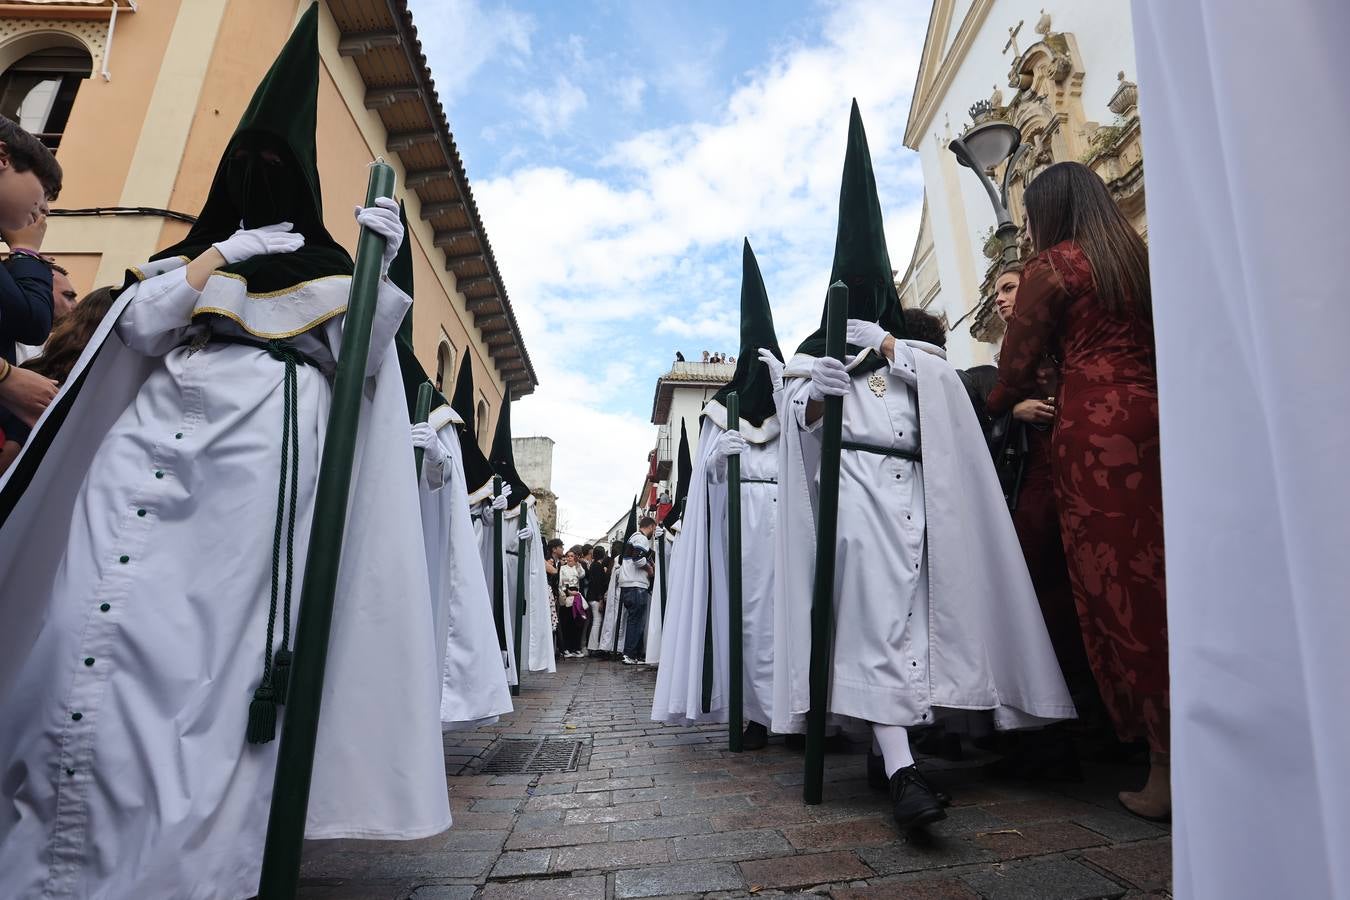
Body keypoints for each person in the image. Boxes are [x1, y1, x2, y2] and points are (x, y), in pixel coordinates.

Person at [0, 8, 450, 898]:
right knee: (97, 641)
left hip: (251, 486)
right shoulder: (184, 265)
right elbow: (136, 328)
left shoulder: (331, 277)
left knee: (203, 670)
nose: (257, 184)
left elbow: (371, 377)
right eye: (242, 171)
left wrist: (379, 275)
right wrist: (217, 257)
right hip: (138, 463)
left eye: (274, 172)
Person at [773, 102, 1074, 830]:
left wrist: (889, 351)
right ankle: (904, 772)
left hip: (921, 500)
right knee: (875, 624)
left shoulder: (917, 360)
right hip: (860, 502)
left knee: (917, 630)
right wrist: (815, 395)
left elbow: (949, 394)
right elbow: (800, 432)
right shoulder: (820, 360)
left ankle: (895, 749)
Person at [986, 160, 1168, 820]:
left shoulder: (1054, 267)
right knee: (1173, 580)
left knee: (1122, 591)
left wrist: (997, 401)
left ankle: (1165, 768)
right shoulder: (1135, 257)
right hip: (1161, 422)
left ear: (1050, 212)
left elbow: (1012, 371)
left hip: (1095, 434)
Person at [653, 238, 783, 750]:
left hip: (788, 523)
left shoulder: (789, 402)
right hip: (742, 531)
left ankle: (797, 711)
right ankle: (753, 713)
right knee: (751, 619)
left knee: (791, 616)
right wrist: (714, 459)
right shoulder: (717, 413)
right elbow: (701, 486)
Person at [618, 516, 657, 664]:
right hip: (636, 585)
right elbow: (638, 559)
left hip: (628, 584)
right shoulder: (641, 539)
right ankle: (630, 655)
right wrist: (650, 570)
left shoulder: (632, 538)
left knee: (633, 620)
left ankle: (631, 654)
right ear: (652, 527)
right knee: (637, 621)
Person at [557, 549, 588, 658]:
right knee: (566, 623)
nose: (570, 558)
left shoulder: (577, 567)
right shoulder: (562, 568)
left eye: (572, 556)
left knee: (577, 622)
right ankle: (566, 648)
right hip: (567, 594)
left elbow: (582, 574)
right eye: (568, 556)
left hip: (576, 596)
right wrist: (568, 592)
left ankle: (576, 648)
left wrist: (578, 564)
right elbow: (560, 583)